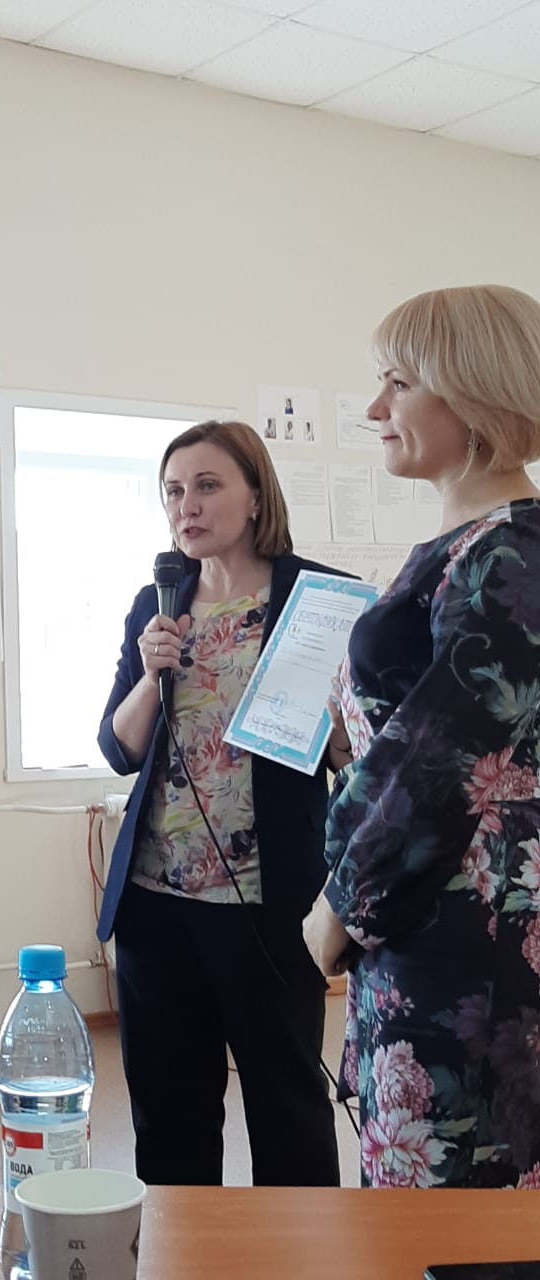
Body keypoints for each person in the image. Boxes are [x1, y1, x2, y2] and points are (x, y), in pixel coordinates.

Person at [303, 284, 540, 1189]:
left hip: (464, 949)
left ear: (473, 394)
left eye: (398, 384)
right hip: (426, 927)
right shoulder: (472, 544)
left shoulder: (512, 553)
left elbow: (441, 763)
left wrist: (335, 910)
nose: (375, 409)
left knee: (453, 1215)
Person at [97, 420, 342, 1187]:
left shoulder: (317, 600)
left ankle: (293, 1250)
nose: (187, 506)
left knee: (287, 1107)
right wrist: (151, 673)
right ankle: (183, 1248)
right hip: (155, 901)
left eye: (207, 485)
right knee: (169, 1115)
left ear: (256, 494)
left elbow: (354, 752)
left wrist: (341, 727)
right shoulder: (157, 603)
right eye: (173, 491)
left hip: (268, 903)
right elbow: (119, 747)